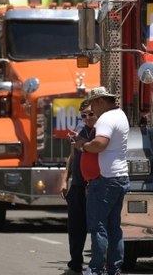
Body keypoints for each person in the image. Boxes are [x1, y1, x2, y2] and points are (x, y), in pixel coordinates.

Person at [75, 87, 130, 275]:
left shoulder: (106, 118)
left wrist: (83, 146)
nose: (92, 110)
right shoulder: (120, 115)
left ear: (99, 101)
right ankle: (114, 268)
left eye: (93, 105)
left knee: (98, 226)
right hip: (119, 176)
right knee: (114, 227)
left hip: (105, 179)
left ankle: (96, 268)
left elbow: (100, 144)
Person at [61, 100, 97, 274]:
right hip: (77, 185)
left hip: (95, 184)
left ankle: (99, 262)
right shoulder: (79, 130)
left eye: (91, 114)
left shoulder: (101, 131)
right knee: (75, 226)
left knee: (98, 226)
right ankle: (75, 261)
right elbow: (72, 157)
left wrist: (83, 143)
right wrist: (64, 180)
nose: (87, 118)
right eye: (84, 115)